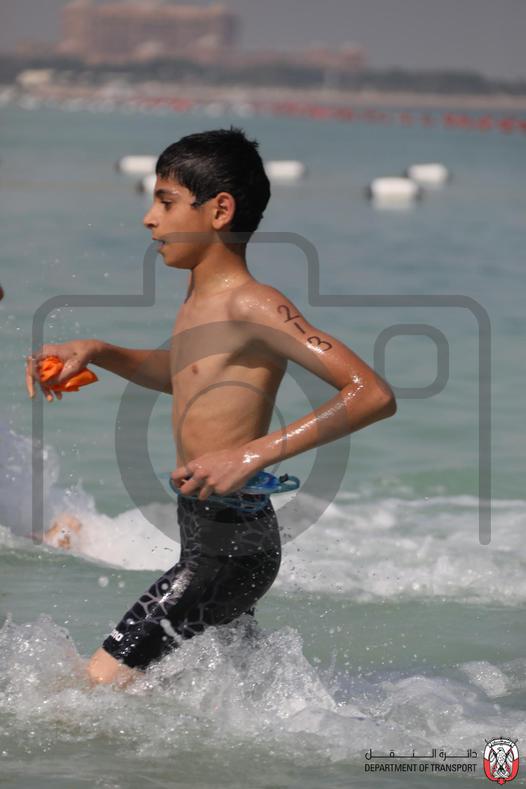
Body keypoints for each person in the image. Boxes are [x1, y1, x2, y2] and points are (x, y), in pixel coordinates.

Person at [25, 127, 396, 689]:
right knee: (214, 702)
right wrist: (98, 350)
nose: (149, 219)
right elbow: (183, 377)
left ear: (219, 210)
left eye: (166, 202)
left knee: (88, 691)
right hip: (211, 535)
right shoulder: (200, 298)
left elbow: (371, 393)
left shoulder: (254, 303)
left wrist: (252, 454)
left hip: (229, 546)